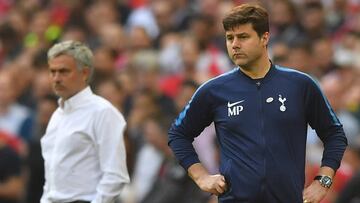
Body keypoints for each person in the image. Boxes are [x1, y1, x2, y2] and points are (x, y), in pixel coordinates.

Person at [168, 3, 348, 203]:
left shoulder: (300, 85)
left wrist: (322, 181)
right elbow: (178, 134)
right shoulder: (214, 90)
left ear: (265, 38)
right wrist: (201, 176)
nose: (234, 44)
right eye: (229, 38)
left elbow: (335, 134)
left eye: (243, 37)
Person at [40, 40, 130, 203]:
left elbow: (115, 175)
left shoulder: (103, 112)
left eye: (63, 71)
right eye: (52, 72)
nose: (56, 78)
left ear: (85, 73)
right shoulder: (57, 115)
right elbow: (52, 179)